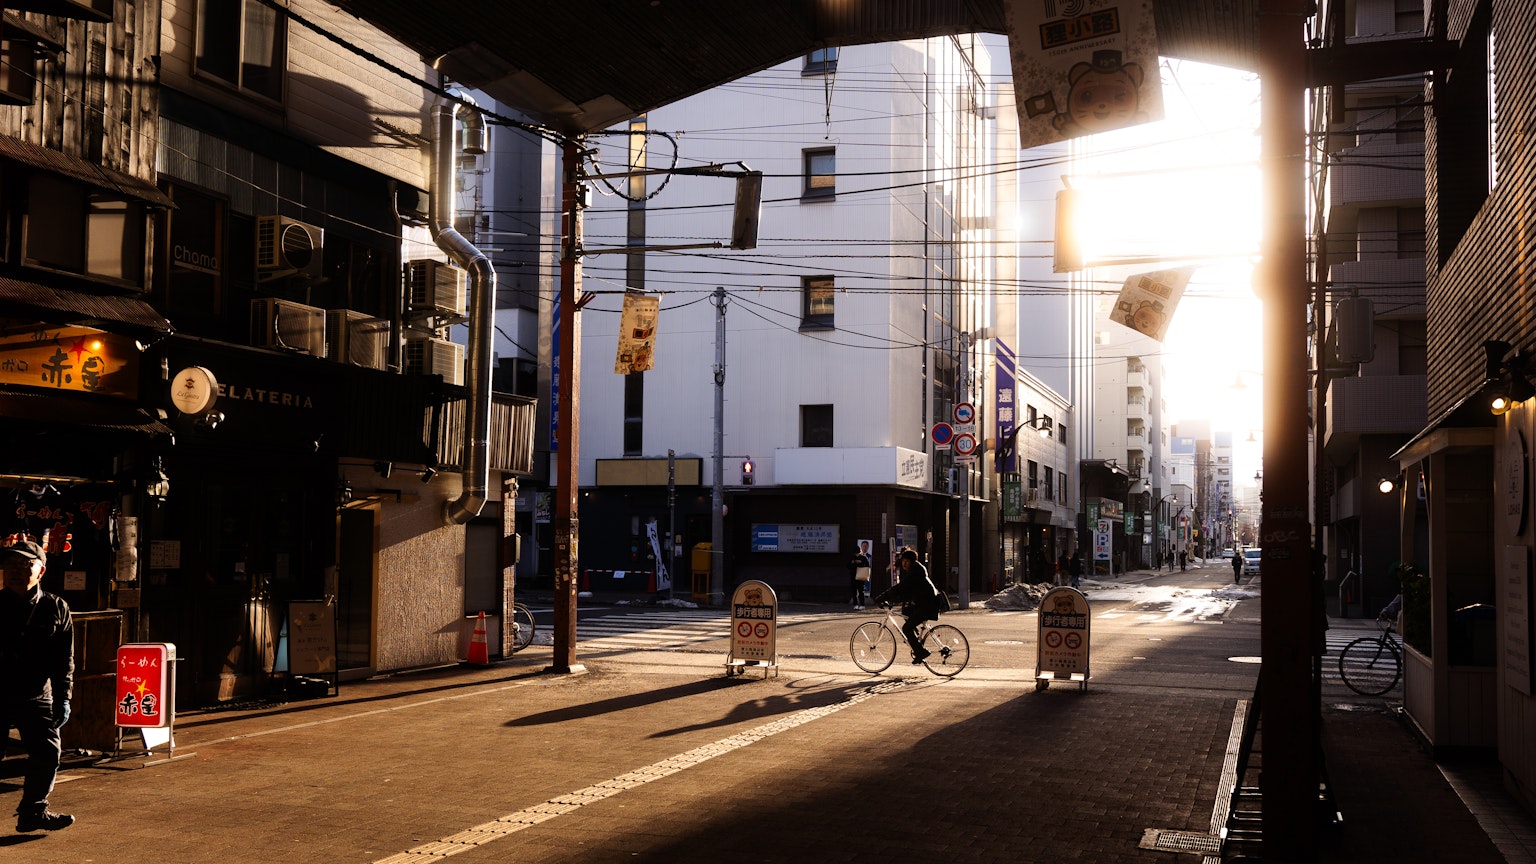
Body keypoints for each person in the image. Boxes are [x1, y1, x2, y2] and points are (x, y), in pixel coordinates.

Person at [0, 538, 74, 832]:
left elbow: (64, 659)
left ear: (41, 571)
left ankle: (33, 812)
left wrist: (63, 697)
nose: (16, 570)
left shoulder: (55, 607)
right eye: (10, 565)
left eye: (25, 564)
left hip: (36, 693)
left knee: (47, 753)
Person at [873, 548, 944, 663]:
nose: (904, 563)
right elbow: (906, 591)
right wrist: (894, 600)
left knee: (906, 628)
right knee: (906, 611)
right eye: (903, 561)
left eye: (907, 561)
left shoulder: (914, 573)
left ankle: (920, 652)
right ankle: (914, 640)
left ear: (912, 562)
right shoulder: (916, 570)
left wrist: (882, 597)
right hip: (926, 602)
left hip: (927, 605)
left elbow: (900, 588)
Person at [848, 542, 872, 611]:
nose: (856, 555)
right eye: (855, 553)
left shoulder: (863, 558)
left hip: (861, 577)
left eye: (857, 553)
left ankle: (862, 605)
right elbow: (847, 566)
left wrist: (860, 563)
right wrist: (852, 562)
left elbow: (867, 566)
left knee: (861, 591)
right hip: (853, 576)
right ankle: (855, 604)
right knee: (854, 592)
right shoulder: (852, 558)